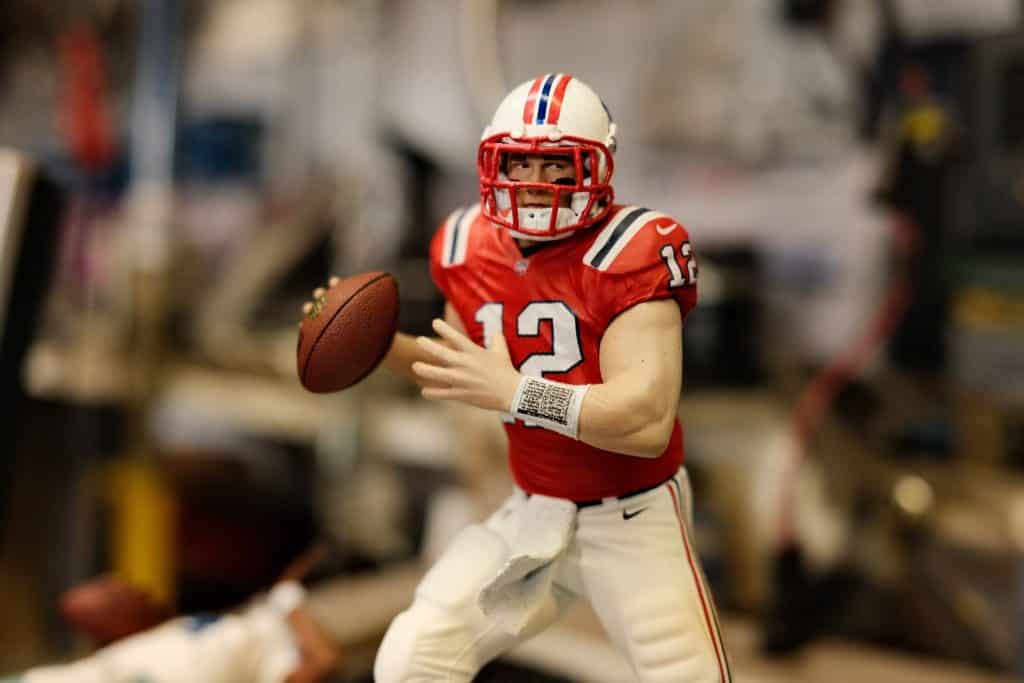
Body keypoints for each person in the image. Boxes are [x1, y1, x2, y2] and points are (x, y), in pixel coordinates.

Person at [374, 74, 732, 682]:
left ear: (594, 171)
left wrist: (515, 391)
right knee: (413, 658)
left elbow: (644, 421)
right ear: (494, 165)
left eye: (556, 168)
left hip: (632, 515)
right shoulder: (467, 245)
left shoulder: (631, 249)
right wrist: (374, 346)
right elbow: (461, 368)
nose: (534, 186)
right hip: (533, 511)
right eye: (519, 165)